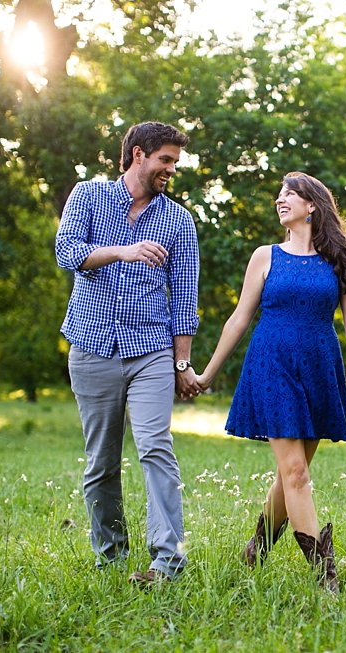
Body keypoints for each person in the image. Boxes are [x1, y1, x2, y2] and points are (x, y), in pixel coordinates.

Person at [195, 171, 346, 592]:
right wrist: (208, 373)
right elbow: (240, 317)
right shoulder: (265, 256)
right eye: (279, 195)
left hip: (319, 367)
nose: (281, 200)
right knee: (295, 472)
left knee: (289, 475)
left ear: (312, 205)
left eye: (289, 194)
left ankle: (256, 549)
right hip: (272, 364)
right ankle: (325, 575)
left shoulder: (341, 256)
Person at [55, 121, 203, 586]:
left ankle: (167, 562)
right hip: (92, 346)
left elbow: (183, 300)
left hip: (151, 352)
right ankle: (112, 556)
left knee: (156, 447)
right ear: (138, 154)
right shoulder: (87, 196)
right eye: (165, 160)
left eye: (175, 163)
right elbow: (67, 252)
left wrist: (182, 364)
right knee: (101, 459)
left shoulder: (178, 221)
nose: (171, 170)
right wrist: (122, 251)